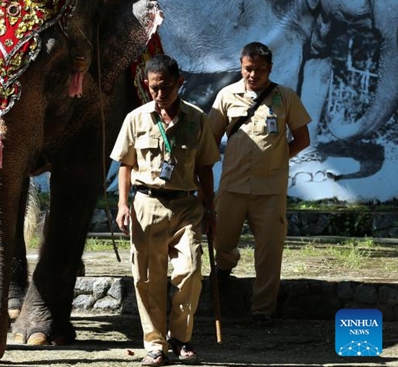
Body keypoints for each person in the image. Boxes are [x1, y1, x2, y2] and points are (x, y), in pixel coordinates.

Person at [111, 54, 219, 366]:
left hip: (187, 206)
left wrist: (210, 210)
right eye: (154, 88)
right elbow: (125, 165)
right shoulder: (136, 118)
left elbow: (206, 169)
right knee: (147, 278)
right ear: (147, 85)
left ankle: (181, 338)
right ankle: (155, 344)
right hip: (147, 205)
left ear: (179, 83)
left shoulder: (197, 118)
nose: (160, 94)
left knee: (191, 271)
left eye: (167, 87)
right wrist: (122, 205)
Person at [208, 42, 311, 326]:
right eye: (248, 69)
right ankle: (226, 263)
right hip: (232, 185)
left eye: (260, 70)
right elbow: (211, 140)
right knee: (221, 237)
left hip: (270, 190)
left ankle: (262, 309)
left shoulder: (285, 97)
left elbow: (303, 139)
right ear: (240, 66)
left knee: (269, 250)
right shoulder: (226, 96)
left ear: (270, 69)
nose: (253, 75)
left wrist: (279, 158)